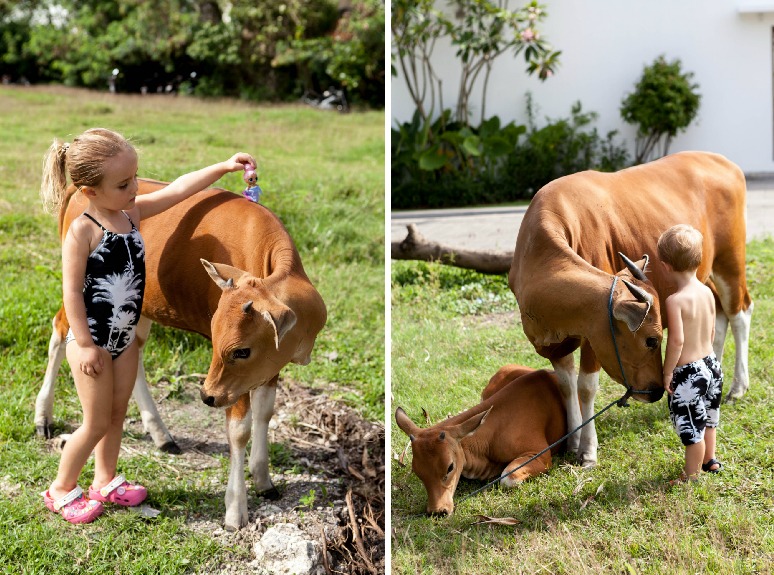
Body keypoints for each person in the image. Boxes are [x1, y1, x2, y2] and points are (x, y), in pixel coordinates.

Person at [39, 127, 255, 523]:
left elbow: (180, 189)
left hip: (122, 339)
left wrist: (223, 167)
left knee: (118, 412)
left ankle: (105, 481)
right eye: (124, 183)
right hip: (91, 340)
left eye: (135, 177)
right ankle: (61, 488)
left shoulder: (130, 213)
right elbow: (71, 293)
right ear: (90, 192)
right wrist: (85, 343)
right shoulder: (83, 231)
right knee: (95, 421)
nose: (135, 187)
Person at [658, 224, 724, 484]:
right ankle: (711, 460)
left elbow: (676, 341)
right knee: (709, 418)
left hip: (689, 375)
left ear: (666, 266)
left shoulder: (675, 301)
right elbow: (710, 331)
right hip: (712, 365)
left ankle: (691, 475)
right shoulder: (707, 291)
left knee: (691, 427)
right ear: (698, 260)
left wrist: (667, 371)